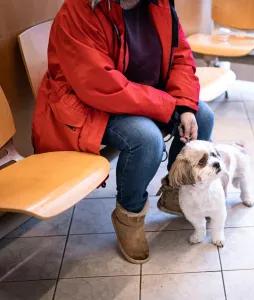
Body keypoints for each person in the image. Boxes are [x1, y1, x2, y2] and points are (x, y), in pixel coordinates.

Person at [32, 0, 214, 264]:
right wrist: (166, 106)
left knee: (202, 116)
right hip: (89, 103)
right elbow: (99, 83)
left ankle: (177, 193)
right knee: (146, 139)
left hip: (140, 95)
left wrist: (183, 105)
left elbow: (181, 57)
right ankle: (129, 215)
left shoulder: (161, 3)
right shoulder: (79, 10)